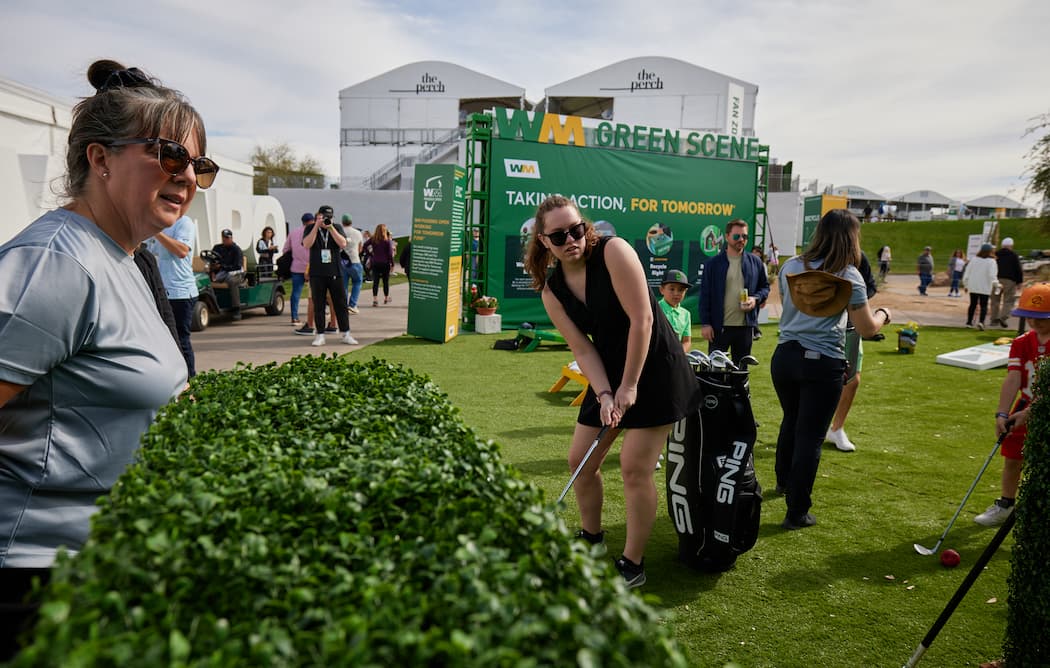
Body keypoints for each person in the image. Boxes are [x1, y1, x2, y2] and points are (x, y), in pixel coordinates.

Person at [0, 59, 209, 657]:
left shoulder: (126, 257)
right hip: (36, 582)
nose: (188, 176)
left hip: (101, 567)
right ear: (100, 158)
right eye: (170, 155)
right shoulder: (54, 264)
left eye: (200, 165)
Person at [523, 195, 697, 588]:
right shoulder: (551, 290)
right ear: (543, 240)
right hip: (609, 370)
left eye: (576, 229)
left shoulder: (614, 251)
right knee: (580, 462)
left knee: (635, 467)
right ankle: (592, 536)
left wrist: (629, 386)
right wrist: (604, 394)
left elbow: (643, 319)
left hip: (655, 368)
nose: (571, 239)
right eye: (558, 235)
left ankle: (632, 565)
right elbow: (582, 348)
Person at [772, 209, 890, 530]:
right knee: (810, 436)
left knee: (792, 420)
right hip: (823, 362)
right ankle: (797, 511)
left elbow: (788, 308)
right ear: (852, 238)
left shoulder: (790, 266)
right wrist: (883, 314)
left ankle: (783, 482)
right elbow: (866, 328)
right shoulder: (849, 275)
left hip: (784, 357)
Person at [975, 283, 1050, 527]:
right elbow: (1013, 378)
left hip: (1044, 409)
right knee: (1012, 457)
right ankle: (1006, 504)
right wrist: (1003, 412)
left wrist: (1028, 413)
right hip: (1025, 404)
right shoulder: (1021, 342)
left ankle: (1039, 511)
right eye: (1030, 316)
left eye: (1042, 318)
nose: (1034, 322)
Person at [825, 252, 879, 453]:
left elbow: (871, 286)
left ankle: (837, 428)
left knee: (852, 379)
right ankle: (803, 428)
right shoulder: (812, 259)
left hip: (850, 326)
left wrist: (854, 296)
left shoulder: (858, 258)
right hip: (821, 329)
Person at [697, 219, 770, 363]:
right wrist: (706, 323)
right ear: (727, 236)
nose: (741, 240)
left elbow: (765, 287)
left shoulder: (755, 262)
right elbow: (705, 295)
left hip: (745, 328)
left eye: (745, 237)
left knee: (741, 372)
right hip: (719, 328)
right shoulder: (713, 264)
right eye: (737, 236)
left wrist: (755, 299)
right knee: (716, 372)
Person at [146, 214, 198, 376]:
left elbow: (182, 250)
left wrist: (157, 233)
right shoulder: (162, 225)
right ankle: (173, 378)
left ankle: (190, 379)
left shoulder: (184, 223)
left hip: (181, 292)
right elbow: (149, 248)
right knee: (165, 340)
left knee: (181, 339)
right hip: (164, 292)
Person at [302, 205, 357, 347]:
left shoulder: (337, 227)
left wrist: (330, 228)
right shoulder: (310, 228)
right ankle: (320, 334)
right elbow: (307, 244)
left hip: (335, 272)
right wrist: (316, 226)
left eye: (329, 217)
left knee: (340, 303)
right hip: (317, 273)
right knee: (318, 304)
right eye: (324, 217)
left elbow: (343, 244)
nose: (327, 219)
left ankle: (346, 333)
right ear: (318, 216)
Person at [285, 213, 313, 330]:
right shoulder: (314, 232)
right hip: (312, 267)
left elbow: (285, 249)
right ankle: (316, 315)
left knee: (296, 292)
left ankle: (294, 317)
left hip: (297, 266)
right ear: (312, 221)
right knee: (315, 294)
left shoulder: (293, 233)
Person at [209, 228, 244, 320]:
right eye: (224, 238)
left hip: (236, 273)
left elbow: (237, 266)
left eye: (227, 238)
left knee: (231, 281)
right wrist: (212, 271)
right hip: (221, 272)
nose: (225, 240)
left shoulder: (236, 250)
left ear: (231, 238)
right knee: (206, 281)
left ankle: (236, 308)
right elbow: (212, 260)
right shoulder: (217, 248)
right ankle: (213, 304)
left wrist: (222, 267)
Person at [962, 243, 998, 330]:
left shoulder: (974, 259)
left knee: (973, 304)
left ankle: (969, 322)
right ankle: (981, 322)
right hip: (985, 286)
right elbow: (992, 275)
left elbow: (967, 273)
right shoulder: (992, 261)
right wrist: (997, 284)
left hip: (973, 285)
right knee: (984, 305)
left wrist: (966, 284)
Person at [990, 237, 1023, 328]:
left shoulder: (996, 254)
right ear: (1011, 246)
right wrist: (1019, 281)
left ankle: (994, 319)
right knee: (1008, 300)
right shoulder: (1013, 255)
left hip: (996, 280)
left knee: (995, 300)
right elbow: (1018, 269)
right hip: (1009, 280)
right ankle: (1003, 317)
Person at [658, 269, 692, 352]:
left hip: (675, 359)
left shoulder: (686, 314)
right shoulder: (655, 309)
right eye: (672, 289)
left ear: (685, 292)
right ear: (662, 290)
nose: (676, 293)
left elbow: (686, 341)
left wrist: (679, 354)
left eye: (681, 290)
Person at [365, 223, 396, 306]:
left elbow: (365, 245)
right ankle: (386, 297)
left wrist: (370, 253)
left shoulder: (373, 239)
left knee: (376, 281)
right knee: (385, 281)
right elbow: (390, 253)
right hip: (385, 263)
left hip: (375, 262)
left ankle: (375, 299)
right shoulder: (387, 241)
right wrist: (392, 263)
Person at [340, 214, 364, 314]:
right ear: (351, 221)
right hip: (354, 260)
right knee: (357, 282)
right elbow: (360, 248)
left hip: (342, 261)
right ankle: (352, 304)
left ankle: (344, 305)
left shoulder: (339, 231)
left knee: (344, 284)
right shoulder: (358, 233)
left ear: (342, 222)